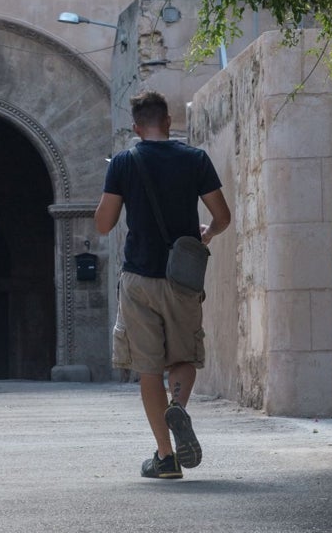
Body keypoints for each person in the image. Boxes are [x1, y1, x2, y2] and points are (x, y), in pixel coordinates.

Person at [95, 89, 232, 479]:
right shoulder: (195, 159)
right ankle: (179, 406)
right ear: (169, 122)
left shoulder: (124, 162)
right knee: (184, 357)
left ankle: (165, 458)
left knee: (148, 367)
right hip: (182, 277)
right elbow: (221, 216)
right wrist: (204, 235)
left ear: (137, 128)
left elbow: (103, 224)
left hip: (139, 277)